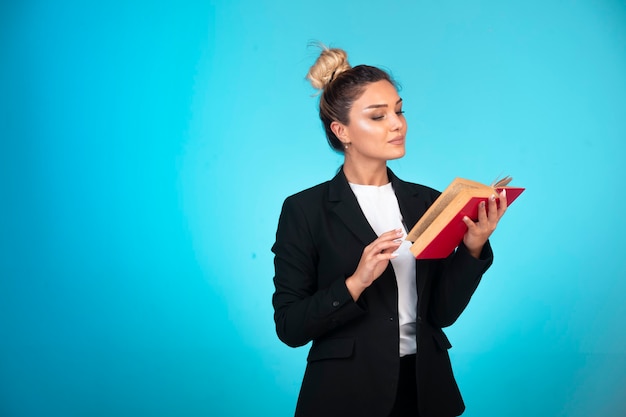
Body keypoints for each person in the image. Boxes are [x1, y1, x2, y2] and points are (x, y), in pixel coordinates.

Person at [271, 44, 508, 417]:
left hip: (426, 388)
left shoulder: (429, 201)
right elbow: (290, 327)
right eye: (378, 116)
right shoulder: (304, 210)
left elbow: (442, 313)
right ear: (341, 130)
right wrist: (357, 281)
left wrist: (473, 247)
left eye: (398, 111)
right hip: (344, 394)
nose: (398, 124)